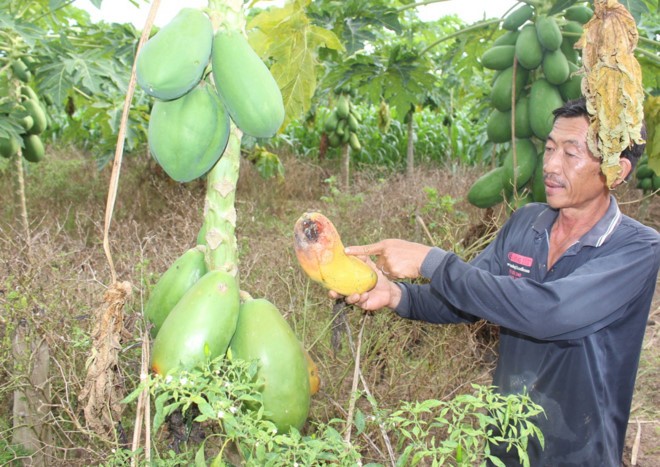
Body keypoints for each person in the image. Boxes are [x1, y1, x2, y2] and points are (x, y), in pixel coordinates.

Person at [331, 98, 660, 466]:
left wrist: (433, 261)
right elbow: (467, 298)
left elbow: (550, 312)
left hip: (578, 451)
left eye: (571, 154)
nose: (550, 165)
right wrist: (394, 294)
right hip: (505, 443)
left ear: (616, 171)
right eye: (550, 148)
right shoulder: (527, 222)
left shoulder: (636, 248)